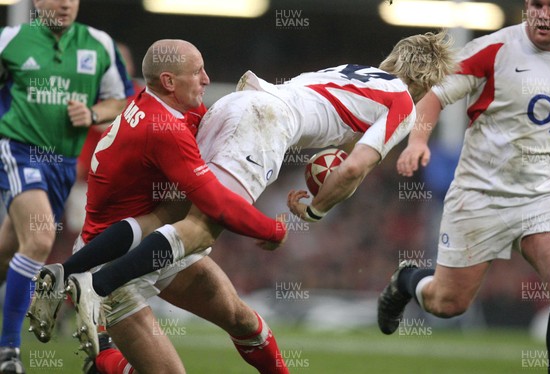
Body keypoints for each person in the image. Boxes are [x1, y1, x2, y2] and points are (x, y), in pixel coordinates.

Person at [30, 30, 456, 373]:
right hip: (265, 122)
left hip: (238, 103)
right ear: (425, 83)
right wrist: (314, 210)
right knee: (201, 228)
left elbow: (331, 134)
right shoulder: (403, 100)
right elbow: (353, 169)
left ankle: (72, 274)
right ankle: (96, 287)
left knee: (173, 214)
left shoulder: (358, 73)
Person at [29, 38, 288, 374]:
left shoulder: (174, 108)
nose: (207, 80)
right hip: (112, 262)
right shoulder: (161, 128)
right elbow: (215, 203)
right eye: (197, 73)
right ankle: (102, 359)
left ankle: (94, 343)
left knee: (242, 319)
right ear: (168, 81)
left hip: (156, 240)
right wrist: (272, 229)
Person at [377, 1, 550, 373]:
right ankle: (406, 280)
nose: (543, 14)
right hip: (479, 195)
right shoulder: (494, 49)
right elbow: (435, 97)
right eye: (535, 5)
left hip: (542, 196)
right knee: (448, 303)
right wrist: (417, 143)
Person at [0, 0, 134, 372]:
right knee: (42, 238)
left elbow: (122, 100)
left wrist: (93, 113)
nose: (65, 4)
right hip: (19, 150)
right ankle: (8, 351)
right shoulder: (10, 40)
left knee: (10, 250)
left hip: (63, 164)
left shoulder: (99, 44)